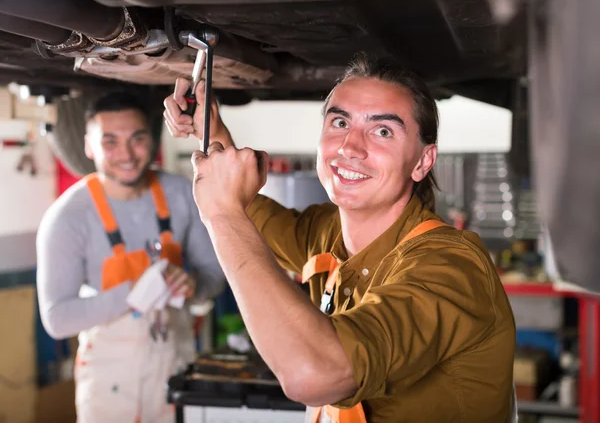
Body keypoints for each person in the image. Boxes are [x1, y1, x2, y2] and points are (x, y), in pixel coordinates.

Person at [163, 54, 516, 422]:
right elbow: (250, 213)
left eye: (382, 131)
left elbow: (315, 375)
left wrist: (221, 215)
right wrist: (211, 130)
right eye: (340, 122)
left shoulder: (451, 267)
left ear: (422, 162)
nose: (350, 147)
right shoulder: (328, 232)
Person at [37, 92, 226, 423]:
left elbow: (214, 273)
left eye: (137, 140)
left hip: (176, 366)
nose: (125, 154)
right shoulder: (67, 217)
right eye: (110, 142)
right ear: (89, 146)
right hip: (110, 379)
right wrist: (135, 294)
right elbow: (57, 318)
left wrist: (193, 286)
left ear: (152, 141)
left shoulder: (183, 193)